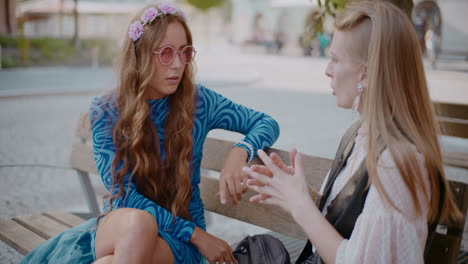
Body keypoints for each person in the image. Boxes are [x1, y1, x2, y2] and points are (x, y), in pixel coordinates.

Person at [20, 3, 279, 264]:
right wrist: (199, 235)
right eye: (165, 53)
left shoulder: (198, 101)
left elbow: (266, 122)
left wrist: (240, 151)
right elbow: (124, 196)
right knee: (138, 222)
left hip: (178, 243)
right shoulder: (107, 111)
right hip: (127, 228)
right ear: (141, 55)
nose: (178, 64)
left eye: (184, 52)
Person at [243, 1, 461, 264]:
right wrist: (302, 194)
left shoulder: (398, 163)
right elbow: (353, 218)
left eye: (335, 59)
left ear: (366, 73)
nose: (327, 70)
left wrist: (300, 205)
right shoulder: (360, 133)